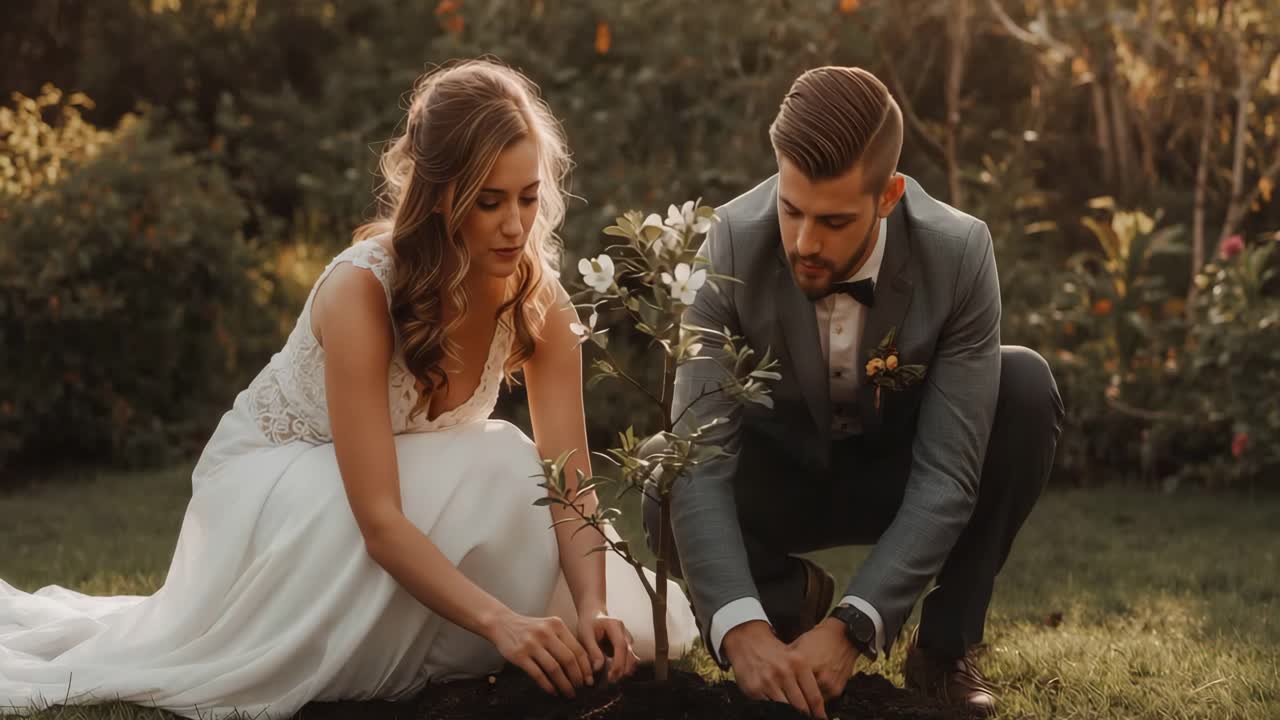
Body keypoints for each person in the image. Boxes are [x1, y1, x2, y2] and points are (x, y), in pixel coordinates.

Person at [0, 58, 699, 719]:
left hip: (415, 500)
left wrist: (594, 603)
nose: (516, 225)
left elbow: (570, 486)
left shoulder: (540, 306)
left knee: (609, 601)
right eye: (489, 203)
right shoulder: (361, 290)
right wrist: (501, 622)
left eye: (527, 198)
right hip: (281, 495)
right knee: (503, 462)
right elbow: (380, 520)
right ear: (440, 197)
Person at [643, 65, 1065, 718]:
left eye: (834, 221)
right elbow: (702, 463)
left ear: (889, 195)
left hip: (897, 473)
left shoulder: (958, 253)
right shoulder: (724, 242)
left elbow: (950, 472)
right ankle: (786, 607)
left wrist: (854, 630)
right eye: (791, 211)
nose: (805, 243)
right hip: (778, 475)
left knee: (1027, 388)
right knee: (666, 471)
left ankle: (944, 648)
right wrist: (741, 631)